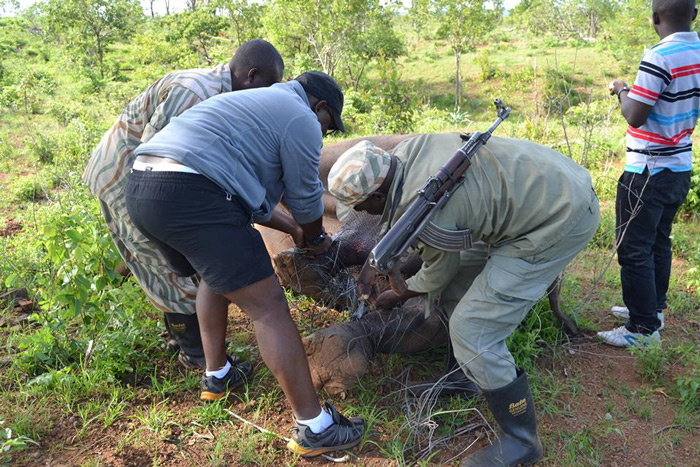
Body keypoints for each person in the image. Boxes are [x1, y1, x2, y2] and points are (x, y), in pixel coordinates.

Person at [125, 71, 364, 457]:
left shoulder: (255, 105)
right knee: (268, 307)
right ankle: (315, 427)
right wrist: (318, 239)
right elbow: (306, 198)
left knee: (212, 274)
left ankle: (217, 376)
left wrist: (290, 227)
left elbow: (249, 196)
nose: (325, 133)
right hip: (191, 192)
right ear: (319, 107)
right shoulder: (300, 117)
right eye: (328, 124)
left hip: (143, 186)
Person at [328, 134, 599, 466]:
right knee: (460, 285)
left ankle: (521, 438)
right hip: (545, 186)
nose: (360, 214)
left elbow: (438, 272)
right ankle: (465, 376)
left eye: (361, 206)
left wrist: (400, 292)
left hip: (556, 218)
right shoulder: (404, 156)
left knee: (473, 327)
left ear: (380, 195)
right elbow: (446, 258)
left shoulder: (428, 211)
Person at [83, 40, 284, 369]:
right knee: (168, 266)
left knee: (174, 262)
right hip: (127, 178)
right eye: (268, 86)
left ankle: (184, 336)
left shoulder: (220, 95)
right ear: (251, 75)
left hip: (148, 180)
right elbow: (155, 157)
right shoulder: (193, 92)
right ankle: (195, 353)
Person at [600, 0, 699, 347]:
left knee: (634, 248)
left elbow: (635, 115)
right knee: (659, 241)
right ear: (695, 15)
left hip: (647, 170)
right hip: (679, 166)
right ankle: (652, 310)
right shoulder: (697, 51)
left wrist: (622, 89)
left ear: (655, 17)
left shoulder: (659, 56)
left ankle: (642, 331)